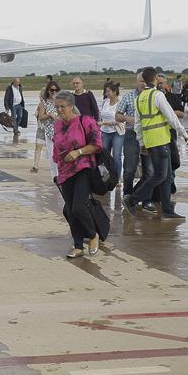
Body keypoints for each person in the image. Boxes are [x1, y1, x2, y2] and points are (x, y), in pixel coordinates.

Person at [124, 67, 188, 219]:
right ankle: (132, 199)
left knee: (166, 177)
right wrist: (183, 133)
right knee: (160, 175)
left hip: (150, 141)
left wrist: (141, 142)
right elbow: (171, 116)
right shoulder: (157, 95)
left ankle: (167, 210)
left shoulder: (139, 97)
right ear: (154, 79)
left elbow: (138, 124)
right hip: (161, 140)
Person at [52, 91, 103, 258]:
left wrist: (78, 152)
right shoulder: (58, 124)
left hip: (83, 168)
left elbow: (96, 145)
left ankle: (93, 234)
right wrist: (56, 169)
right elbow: (56, 147)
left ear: (71, 106)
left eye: (63, 107)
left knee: (79, 207)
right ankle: (78, 246)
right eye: (57, 106)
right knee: (70, 211)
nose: (59, 110)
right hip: (64, 171)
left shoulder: (86, 121)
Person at [115, 73, 154, 211]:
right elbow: (117, 116)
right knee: (129, 169)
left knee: (149, 170)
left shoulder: (153, 96)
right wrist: (127, 118)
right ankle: (127, 195)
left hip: (149, 135)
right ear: (137, 82)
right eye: (141, 81)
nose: (143, 84)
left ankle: (146, 199)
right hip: (132, 135)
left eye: (146, 81)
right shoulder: (128, 96)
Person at [32, 81, 60, 178]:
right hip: (49, 132)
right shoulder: (43, 103)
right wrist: (49, 115)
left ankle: (62, 175)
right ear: (48, 91)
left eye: (56, 90)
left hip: (61, 132)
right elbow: (40, 117)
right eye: (52, 90)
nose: (54, 92)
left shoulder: (61, 102)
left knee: (62, 155)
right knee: (52, 156)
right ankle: (55, 177)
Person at [98, 82, 124, 178]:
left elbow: (120, 120)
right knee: (105, 155)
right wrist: (101, 123)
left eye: (108, 91)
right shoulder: (105, 102)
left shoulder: (120, 103)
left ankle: (117, 178)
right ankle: (107, 176)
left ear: (114, 92)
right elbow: (101, 116)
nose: (107, 93)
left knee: (117, 156)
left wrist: (104, 123)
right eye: (106, 91)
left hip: (117, 132)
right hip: (105, 132)